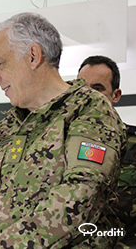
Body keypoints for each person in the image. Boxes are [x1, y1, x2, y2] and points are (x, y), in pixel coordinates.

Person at [0, 12, 127, 248]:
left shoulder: (89, 110)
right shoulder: (6, 128)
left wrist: (2, 246)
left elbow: (82, 195)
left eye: (0, 64)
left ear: (33, 56)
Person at [78, 55, 136, 248]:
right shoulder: (56, 144)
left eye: (97, 88)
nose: (87, 95)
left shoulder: (134, 143)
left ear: (115, 95)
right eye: (81, 88)